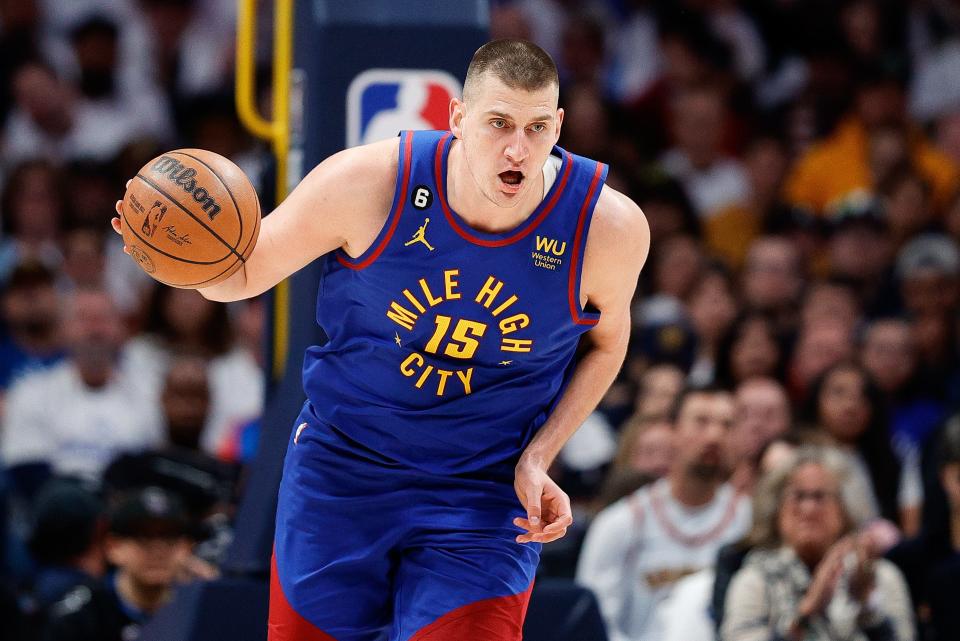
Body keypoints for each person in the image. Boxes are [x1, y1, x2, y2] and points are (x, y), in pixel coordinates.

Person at [111, 39, 650, 640]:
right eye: (498, 123)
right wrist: (175, 257)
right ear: (458, 118)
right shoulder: (369, 182)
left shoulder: (607, 227)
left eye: (536, 126)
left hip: (482, 490)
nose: (517, 148)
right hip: (343, 468)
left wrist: (541, 454)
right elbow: (241, 271)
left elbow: (607, 343)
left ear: (559, 126)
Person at [575, 385, 751, 641]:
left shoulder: (749, 519)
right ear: (673, 430)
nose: (714, 435)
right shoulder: (620, 522)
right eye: (701, 422)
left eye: (727, 425)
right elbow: (595, 622)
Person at [721, 447, 915, 641]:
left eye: (819, 496)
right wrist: (807, 613)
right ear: (777, 510)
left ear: (844, 509)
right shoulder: (755, 581)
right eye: (798, 496)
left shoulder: (881, 578)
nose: (809, 508)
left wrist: (867, 605)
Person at [43, 486, 195, 641]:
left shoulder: (198, 610)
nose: (158, 550)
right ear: (113, 547)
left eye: (169, 537)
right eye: (143, 538)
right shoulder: (80, 618)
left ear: (187, 547)